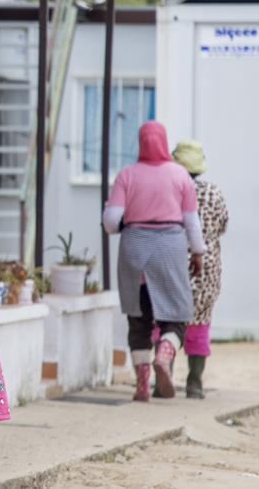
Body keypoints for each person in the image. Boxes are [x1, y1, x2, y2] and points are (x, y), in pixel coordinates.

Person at [102, 121, 206, 403]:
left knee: (138, 321)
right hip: (170, 249)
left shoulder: (127, 175)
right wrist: (197, 252)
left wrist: (130, 224)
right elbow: (192, 223)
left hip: (134, 247)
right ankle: (165, 353)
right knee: (177, 316)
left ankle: (142, 384)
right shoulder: (181, 176)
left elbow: (111, 223)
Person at [173, 139, 229, 399]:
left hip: (172, 267)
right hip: (206, 271)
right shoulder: (214, 192)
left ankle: (163, 375)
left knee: (168, 321)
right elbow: (223, 227)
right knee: (200, 323)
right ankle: (194, 383)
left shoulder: (171, 190)